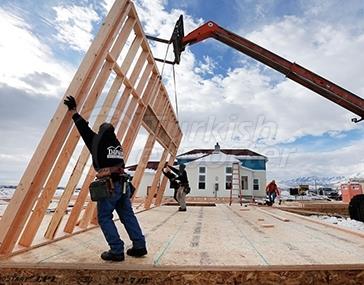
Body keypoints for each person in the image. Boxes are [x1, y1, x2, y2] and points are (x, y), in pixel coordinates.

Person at [64, 95, 147, 262]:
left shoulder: (98, 141)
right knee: (128, 215)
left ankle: (116, 250)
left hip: (110, 186)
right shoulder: (117, 145)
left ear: (101, 133)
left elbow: (84, 129)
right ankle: (139, 246)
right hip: (123, 185)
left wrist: (74, 112)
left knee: (104, 217)